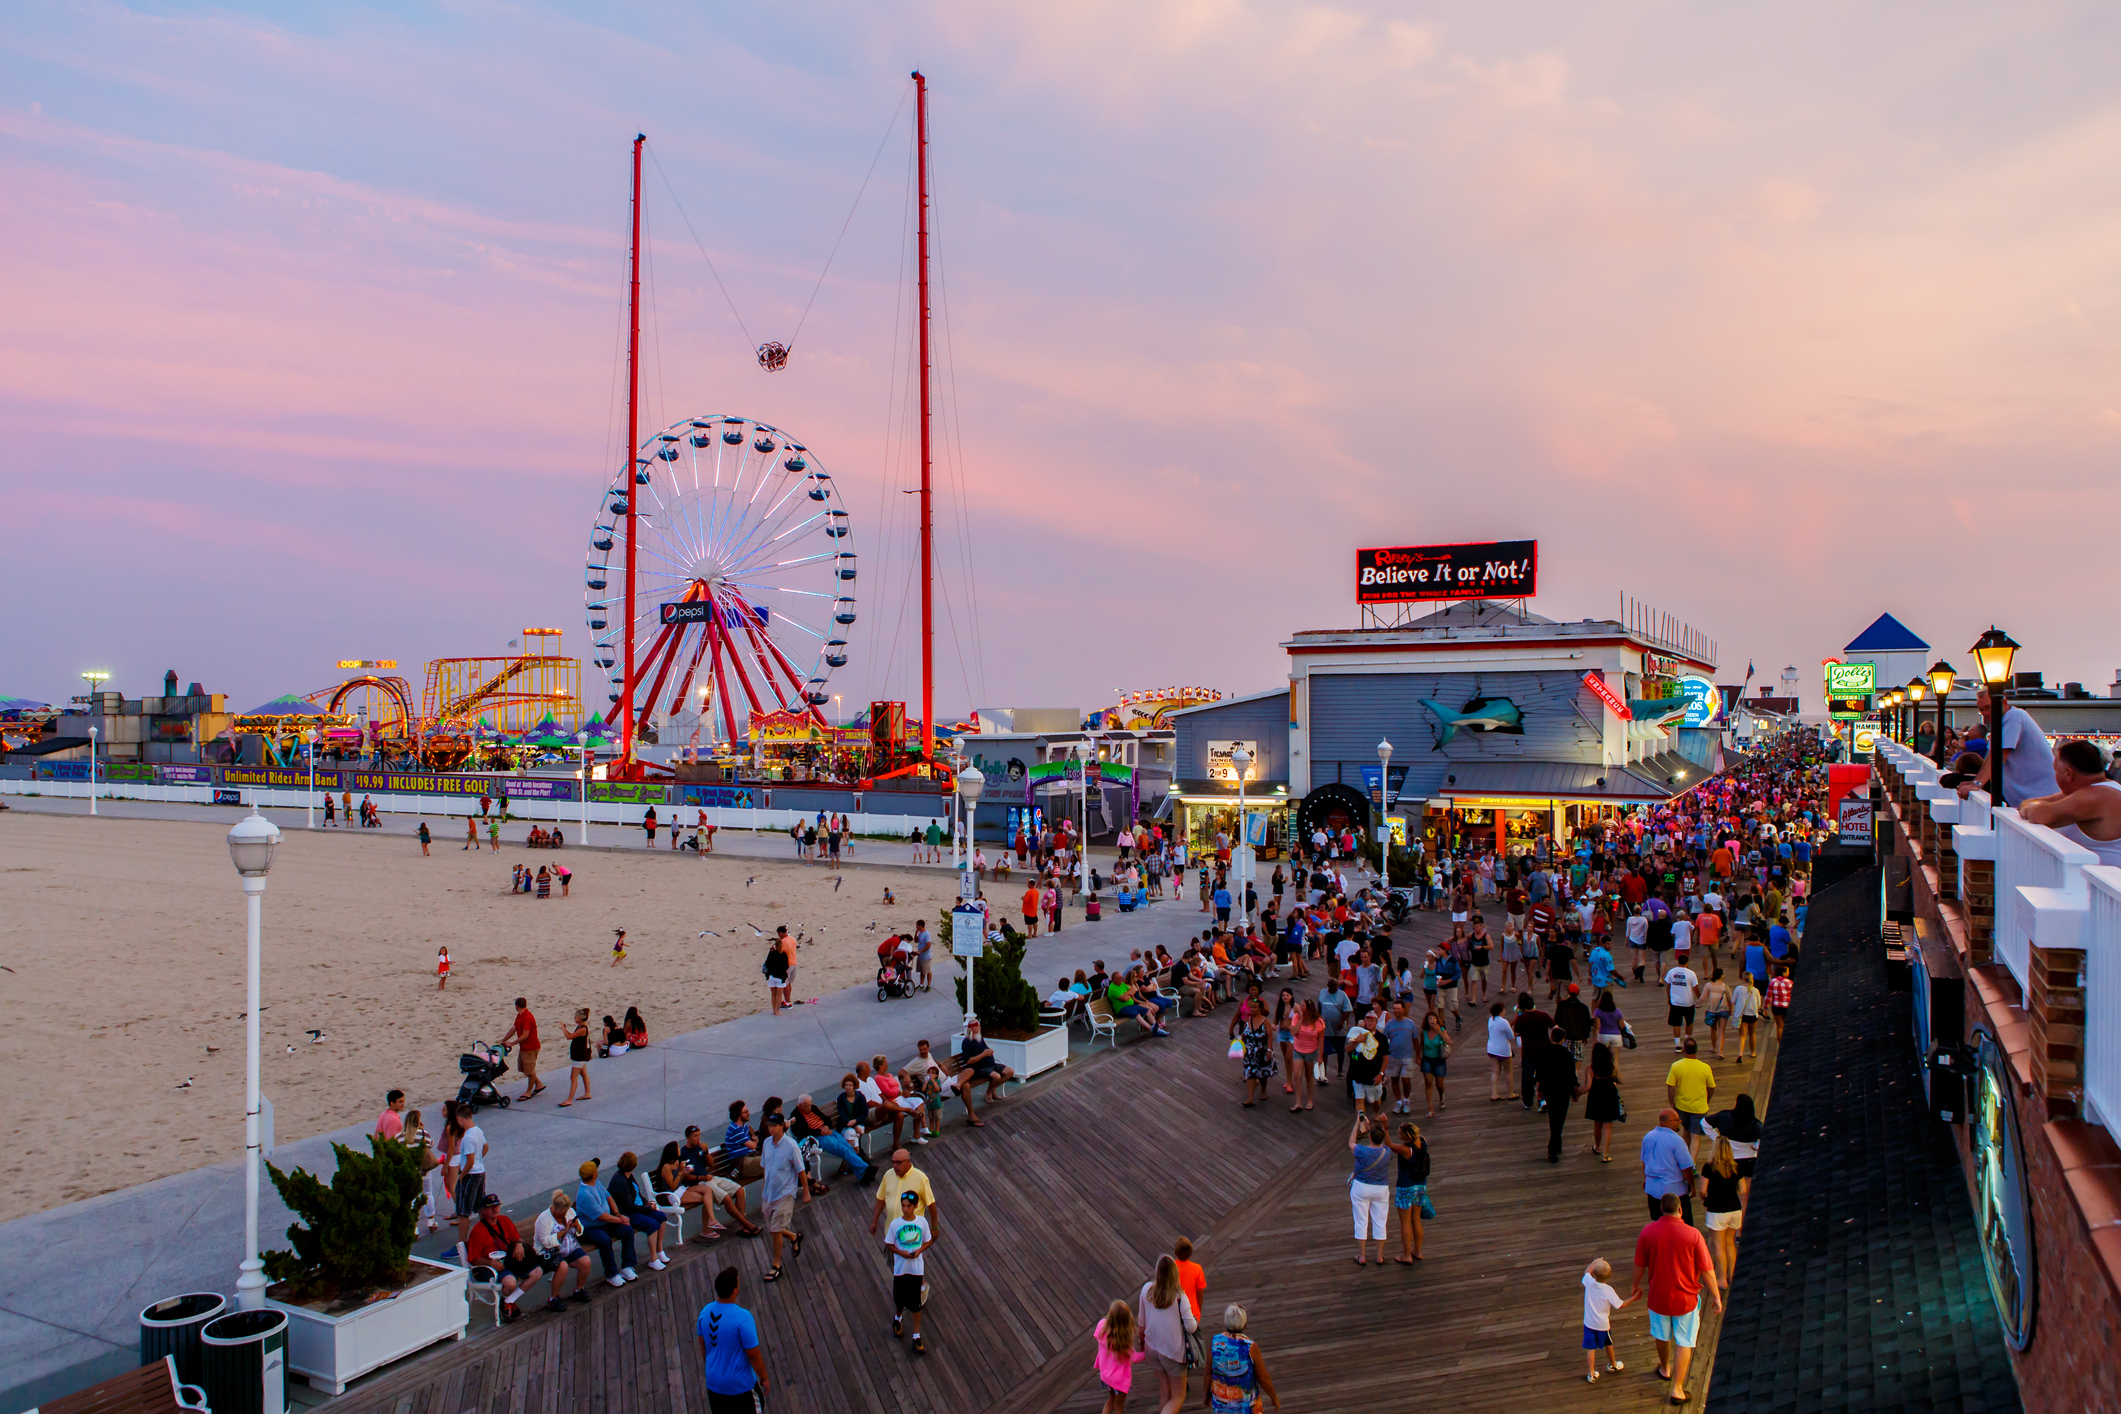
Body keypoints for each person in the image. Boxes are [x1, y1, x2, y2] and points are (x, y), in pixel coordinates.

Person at [1632, 1192, 1723, 1403]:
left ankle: (1665, 1368)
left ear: (1661, 1209)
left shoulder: (1648, 1232)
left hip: (1658, 1298)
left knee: (1661, 1335)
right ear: (1680, 1209)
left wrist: (1634, 1284)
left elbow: (1639, 1264)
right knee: (1684, 1342)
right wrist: (1717, 1297)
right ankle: (1678, 1390)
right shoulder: (1692, 1235)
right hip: (1685, 1299)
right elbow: (1707, 1269)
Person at [1959, 685, 2059, 808]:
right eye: (1981, 709)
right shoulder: (2000, 722)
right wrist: (1974, 782)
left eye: (1988, 707)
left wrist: (1977, 784)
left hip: (2041, 797)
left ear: (2004, 702)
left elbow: (1999, 755)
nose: (1985, 713)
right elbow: (1991, 756)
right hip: (2030, 799)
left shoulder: (2014, 716)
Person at [698, 1266, 770, 1413]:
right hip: (740, 1387)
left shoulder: (705, 1312)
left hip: (714, 1386)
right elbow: (753, 1355)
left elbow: (703, 1345)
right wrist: (764, 1378)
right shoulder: (743, 1318)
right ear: (734, 1291)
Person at [470, 1192, 551, 1321]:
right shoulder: (477, 1231)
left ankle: (508, 1301)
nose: (495, 1209)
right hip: (487, 1268)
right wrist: (492, 1264)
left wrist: (519, 1244)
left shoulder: (504, 1220)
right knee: (510, 1283)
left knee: (537, 1272)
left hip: (508, 1262)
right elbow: (474, 1260)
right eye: (491, 1207)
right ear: (483, 1211)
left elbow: (516, 1238)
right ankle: (507, 1303)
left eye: (497, 1205)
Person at [1137, 1254, 1200, 1414]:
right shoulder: (1180, 1297)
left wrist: (1142, 1344)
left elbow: (1141, 1324)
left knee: (1165, 1393)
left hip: (1152, 1348)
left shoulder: (1146, 1290)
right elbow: (1191, 1327)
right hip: (1172, 1352)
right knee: (1178, 1396)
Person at [883, 1187, 933, 1356]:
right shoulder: (896, 1224)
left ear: (915, 1206)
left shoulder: (922, 1223)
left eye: (908, 1206)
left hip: (916, 1269)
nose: (905, 1209)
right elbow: (889, 1244)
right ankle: (897, 1319)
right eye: (903, 1206)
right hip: (900, 1270)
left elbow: (927, 1241)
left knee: (916, 1304)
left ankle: (916, 1336)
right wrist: (901, 1252)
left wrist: (919, 1251)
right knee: (900, 1300)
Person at [573, 1158, 639, 1286]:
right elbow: (602, 1216)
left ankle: (627, 1266)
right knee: (604, 1240)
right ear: (594, 1174)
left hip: (606, 1221)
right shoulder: (585, 1194)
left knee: (627, 1231)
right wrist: (621, 1219)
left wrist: (618, 1214)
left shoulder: (596, 1183)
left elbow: (608, 1197)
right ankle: (611, 1274)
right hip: (590, 1227)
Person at [758, 1113, 806, 1283]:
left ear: (781, 1126)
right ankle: (794, 1237)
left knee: (776, 1230)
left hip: (785, 1193)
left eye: (774, 1125)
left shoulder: (791, 1146)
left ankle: (776, 1265)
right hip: (769, 1193)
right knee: (773, 1228)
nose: (771, 1128)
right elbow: (766, 1167)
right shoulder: (766, 1143)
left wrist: (805, 1192)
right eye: (769, 1125)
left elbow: (801, 1170)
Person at [532, 1188, 597, 1308]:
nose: (566, 1213)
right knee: (563, 1267)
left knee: (586, 1262)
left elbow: (580, 1231)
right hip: (551, 1251)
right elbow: (546, 1242)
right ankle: (553, 1298)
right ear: (557, 1209)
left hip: (569, 1246)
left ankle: (578, 1290)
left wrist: (577, 1226)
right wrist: (564, 1231)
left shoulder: (570, 1211)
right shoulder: (544, 1219)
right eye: (564, 1211)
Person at [1208, 1303, 1279, 1413]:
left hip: (1222, 1405)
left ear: (1225, 1322)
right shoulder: (1250, 1347)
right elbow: (1263, 1378)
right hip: (1246, 1407)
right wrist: (1274, 1397)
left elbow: (1207, 1373)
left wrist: (1205, 1395)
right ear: (1245, 1324)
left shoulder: (1215, 1343)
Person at [608, 1151, 669, 1271]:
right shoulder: (620, 1182)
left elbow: (638, 1195)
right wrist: (647, 1208)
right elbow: (629, 1206)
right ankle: (653, 1258)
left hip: (639, 1208)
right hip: (629, 1213)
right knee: (652, 1224)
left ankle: (659, 1249)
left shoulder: (629, 1175)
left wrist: (647, 1203)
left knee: (661, 1217)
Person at [1581, 1256, 1635, 1383]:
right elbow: (1621, 1305)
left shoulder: (1589, 1282)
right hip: (1602, 1325)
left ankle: (1591, 1373)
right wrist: (1634, 1298)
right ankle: (1613, 1364)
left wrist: (1595, 1261)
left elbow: (1586, 1272)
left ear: (1593, 1273)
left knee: (1591, 1348)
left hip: (1589, 1323)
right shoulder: (1608, 1290)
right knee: (1608, 1344)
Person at [1348, 1117, 1394, 1266]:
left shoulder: (1361, 1150)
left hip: (1361, 1187)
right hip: (1381, 1189)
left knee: (1361, 1221)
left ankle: (1362, 1256)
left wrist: (1357, 1125)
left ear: (1369, 1136)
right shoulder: (1386, 1152)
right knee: (1380, 1221)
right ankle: (1379, 1256)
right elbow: (1387, 1142)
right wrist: (1382, 1128)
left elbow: (1351, 1143)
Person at [1640, 1110, 1698, 1226]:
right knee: (1684, 1224)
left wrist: (1646, 1178)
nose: (1680, 1121)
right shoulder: (1676, 1141)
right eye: (1677, 1120)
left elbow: (1645, 1162)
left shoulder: (1648, 1137)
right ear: (1665, 1122)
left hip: (1653, 1189)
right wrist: (1691, 1185)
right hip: (1675, 1191)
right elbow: (1686, 1168)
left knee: (1659, 1223)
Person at [1702, 1137, 1746, 1286]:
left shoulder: (1709, 1168)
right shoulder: (1736, 1167)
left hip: (1716, 1211)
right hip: (1734, 1209)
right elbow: (1743, 1189)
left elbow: (1702, 1190)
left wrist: (1705, 1198)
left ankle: (1721, 1279)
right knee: (1730, 1243)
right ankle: (1732, 1275)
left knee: (1719, 1246)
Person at [1535, 1025, 1581, 1163]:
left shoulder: (1543, 1052)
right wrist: (1574, 1092)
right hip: (1563, 1089)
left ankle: (1556, 1144)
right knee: (1560, 1117)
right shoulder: (1566, 1054)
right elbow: (1571, 1075)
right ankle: (1553, 1148)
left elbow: (1540, 1073)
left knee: (1553, 1116)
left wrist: (1539, 1089)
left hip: (1549, 1088)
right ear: (1563, 1039)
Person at [1093, 1299, 1146, 1414]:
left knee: (1111, 1400)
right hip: (1119, 1381)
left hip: (1105, 1377)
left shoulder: (1101, 1326)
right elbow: (1135, 1358)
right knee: (1118, 1408)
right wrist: (1146, 1353)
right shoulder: (1125, 1342)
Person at [1389, 1121, 1431, 1263]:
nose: (1398, 1133)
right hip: (1420, 1186)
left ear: (1405, 1137)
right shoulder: (1423, 1141)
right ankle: (1417, 1251)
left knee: (1405, 1223)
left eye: (1400, 1132)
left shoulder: (1406, 1150)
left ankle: (1406, 1255)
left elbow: (1389, 1144)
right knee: (1416, 1220)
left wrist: (1385, 1126)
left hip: (1405, 1187)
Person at [1582, 1041, 1623, 1160]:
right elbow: (1621, 1080)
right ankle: (1606, 1154)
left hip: (1596, 1096)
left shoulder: (1590, 1069)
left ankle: (1597, 1146)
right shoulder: (1611, 1067)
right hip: (1610, 1094)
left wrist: (1577, 1093)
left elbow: (1587, 1086)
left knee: (1597, 1123)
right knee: (1608, 1126)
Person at [502, 999, 543, 1101]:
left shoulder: (527, 1017)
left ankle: (529, 1092)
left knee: (530, 1071)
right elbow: (513, 1028)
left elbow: (525, 1035)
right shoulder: (520, 1015)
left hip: (531, 1048)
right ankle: (538, 1084)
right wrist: (503, 1040)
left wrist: (512, 1043)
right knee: (523, 1068)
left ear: (516, 1006)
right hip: (524, 1048)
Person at [1418, 1009, 1452, 1117]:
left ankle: (1441, 1096)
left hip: (1439, 1060)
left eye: (1434, 1018)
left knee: (1439, 1084)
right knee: (1428, 1082)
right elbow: (1421, 1044)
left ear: (1437, 1020)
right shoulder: (1424, 1032)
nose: (1432, 1020)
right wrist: (1418, 1056)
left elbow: (1449, 1041)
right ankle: (1430, 1109)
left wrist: (1440, 1031)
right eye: (1430, 1019)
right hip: (1427, 1058)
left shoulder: (1441, 1029)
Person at [1663, 958, 1700, 1050]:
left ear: (1678, 961)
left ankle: (1677, 1044)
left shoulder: (1672, 972)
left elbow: (1668, 986)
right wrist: (1700, 998)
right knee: (1689, 1022)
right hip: (1688, 1002)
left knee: (1676, 1024)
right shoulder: (1691, 973)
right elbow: (1695, 988)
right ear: (1687, 962)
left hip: (1675, 1002)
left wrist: (1669, 998)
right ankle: (1687, 1040)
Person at [1485, 1000, 1518, 1101]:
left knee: (1495, 1071)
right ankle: (1510, 1093)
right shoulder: (1504, 1022)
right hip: (1503, 1049)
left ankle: (1494, 1094)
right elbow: (1511, 1036)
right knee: (1508, 1071)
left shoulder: (1491, 1020)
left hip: (1491, 1048)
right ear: (1500, 1011)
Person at [560, 1008, 592, 1106]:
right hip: (579, 1055)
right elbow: (571, 1035)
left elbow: (569, 1037)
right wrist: (565, 1029)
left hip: (579, 1056)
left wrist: (563, 1028)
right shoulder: (580, 1026)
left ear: (580, 1018)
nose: (574, 1018)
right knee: (584, 1074)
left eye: (575, 1017)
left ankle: (569, 1099)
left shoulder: (582, 1029)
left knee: (573, 1077)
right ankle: (587, 1093)